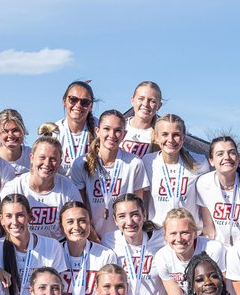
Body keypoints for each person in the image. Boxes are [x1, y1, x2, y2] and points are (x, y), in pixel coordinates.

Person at [0, 194, 68, 295]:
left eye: (20, 215)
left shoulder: (52, 246)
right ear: (1, 219)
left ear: (30, 217)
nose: (14, 222)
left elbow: (57, 289)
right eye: (8, 216)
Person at [70, 109, 149, 240]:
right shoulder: (81, 164)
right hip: (93, 236)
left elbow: (138, 206)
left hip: (124, 237)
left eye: (118, 130)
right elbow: (80, 206)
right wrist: (91, 233)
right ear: (97, 131)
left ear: (124, 134)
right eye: (107, 129)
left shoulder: (134, 163)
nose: (112, 135)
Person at [0, 137, 80, 240]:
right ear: (32, 158)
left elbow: (79, 219)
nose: (47, 163)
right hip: (21, 248)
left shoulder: (68, 188)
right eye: (42, 157)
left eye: (53, 159)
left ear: (60, 162)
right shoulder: (14, 187)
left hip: (56, 248)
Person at [152, 208, 228, 295]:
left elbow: (219, 292)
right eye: (173, 233)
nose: (179, 239)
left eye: (185, 233)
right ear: (165, 235)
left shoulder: (213, 249)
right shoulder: (162, 257)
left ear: (195, 233)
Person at [58, 201, 119, 295]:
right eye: (70, 222)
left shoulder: (105, 255)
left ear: (90, 223)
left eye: (82, 221)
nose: (77, 226)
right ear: (61, 226)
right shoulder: (54, 253)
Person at [196, 135, 240, 246]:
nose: (226, 157)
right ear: (211, 161)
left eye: (231, 152)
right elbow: (208, 227)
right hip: (217, 248)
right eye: (220, 154)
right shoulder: (203, 183)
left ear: (237, 157)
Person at [101, 193, 165, 295]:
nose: (129, 222)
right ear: (115, 220)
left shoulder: (162, 238)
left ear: (144, 215)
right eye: (122, 216)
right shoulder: (109, 241)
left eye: (135, 214)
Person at [143, 114, 208, 226]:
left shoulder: (199, 161)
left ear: (183, 137)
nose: (170, 140)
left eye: (176, 135)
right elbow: (143, 199)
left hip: (189, 233)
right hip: (157, 234)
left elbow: (205, 201)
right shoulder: (148, 161)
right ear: (156, 137)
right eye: (165, 134)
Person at [54, 80, 95, 176]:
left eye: (84, 102)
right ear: (64, 101)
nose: (78, 105)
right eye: (73, 99)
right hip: (63, 188)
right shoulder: (55, 131)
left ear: (91, 106)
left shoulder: (100, 129)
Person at [121, 80, 162, 159]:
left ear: (159, 106)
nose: (145, 104)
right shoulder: (120, 126)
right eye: (141, 98)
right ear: (132, 101)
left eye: (152, 101)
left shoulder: (161, 135)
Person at [0, 108, 32, 176]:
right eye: (5, 131)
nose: (10, 135)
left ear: (23, 130)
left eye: (15, 130)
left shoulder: (32, 156)